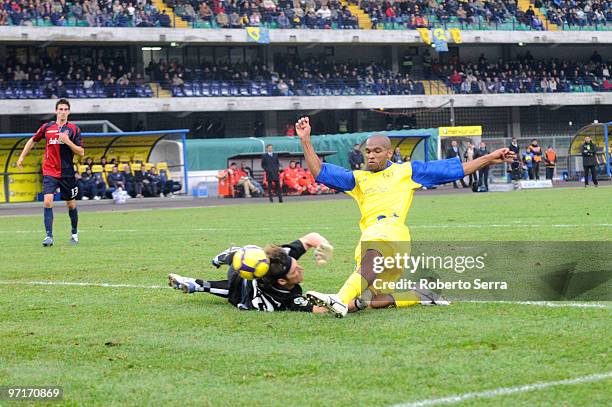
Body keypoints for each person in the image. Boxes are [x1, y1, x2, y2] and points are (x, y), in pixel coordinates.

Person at [294, 117, 514, 317]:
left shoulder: (406, 171)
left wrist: (488, 157)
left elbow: (453, 171)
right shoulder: (357, 179)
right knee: (366, 300)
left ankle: (339, 299)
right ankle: (421, 295)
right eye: (368, 151)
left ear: (389, 153)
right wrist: (305, 140)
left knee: (355, 283)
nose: (371, 155)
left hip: (388, 233)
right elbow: (320, 172)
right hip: (387, 244)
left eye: (377, 151)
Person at [167, 233, 334, 313]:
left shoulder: (284, 258)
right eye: (295, 271)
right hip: (243, 293)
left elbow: (311, 238)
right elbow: (320, 309)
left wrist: (324, 245)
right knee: (246, 259)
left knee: (252, 256)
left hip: (250, 281)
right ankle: (229, 255)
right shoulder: (285, 298)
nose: (301, 269)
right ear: (282, 281)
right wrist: (353, 303)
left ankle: (195, 284)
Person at [16, 99, 84, 246]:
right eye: (61, 109)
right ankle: (49, 236)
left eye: (66, 109)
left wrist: (67, 141)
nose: (63, 112)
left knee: (71, 204)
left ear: (69, 112)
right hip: (50, 170)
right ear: (56, 111)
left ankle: (74, 234)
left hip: (67, 173)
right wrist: (21, 157)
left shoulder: (74, 129)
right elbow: (33, 140)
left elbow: (81, 152)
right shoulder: (47, 127)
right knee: (47, 202)